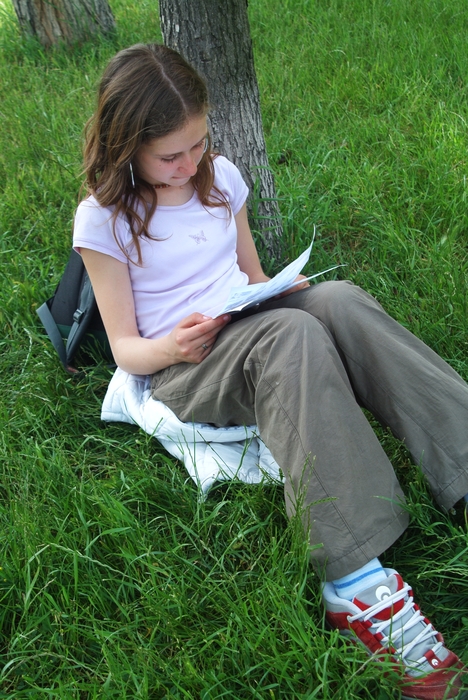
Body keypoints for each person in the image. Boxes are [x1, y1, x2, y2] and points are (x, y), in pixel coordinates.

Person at [73, 43, 468, 699]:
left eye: (198, 144)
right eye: (171, 155)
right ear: (124, 147)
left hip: (248, 322)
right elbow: (124, 348)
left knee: (336, 301)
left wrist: (280, 288)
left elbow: (251, 276)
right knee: (289, 333)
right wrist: (174, 347)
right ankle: (355, 584)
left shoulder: (220, 179)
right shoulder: (104, 220)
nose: (189, 163)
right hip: (186, 365)